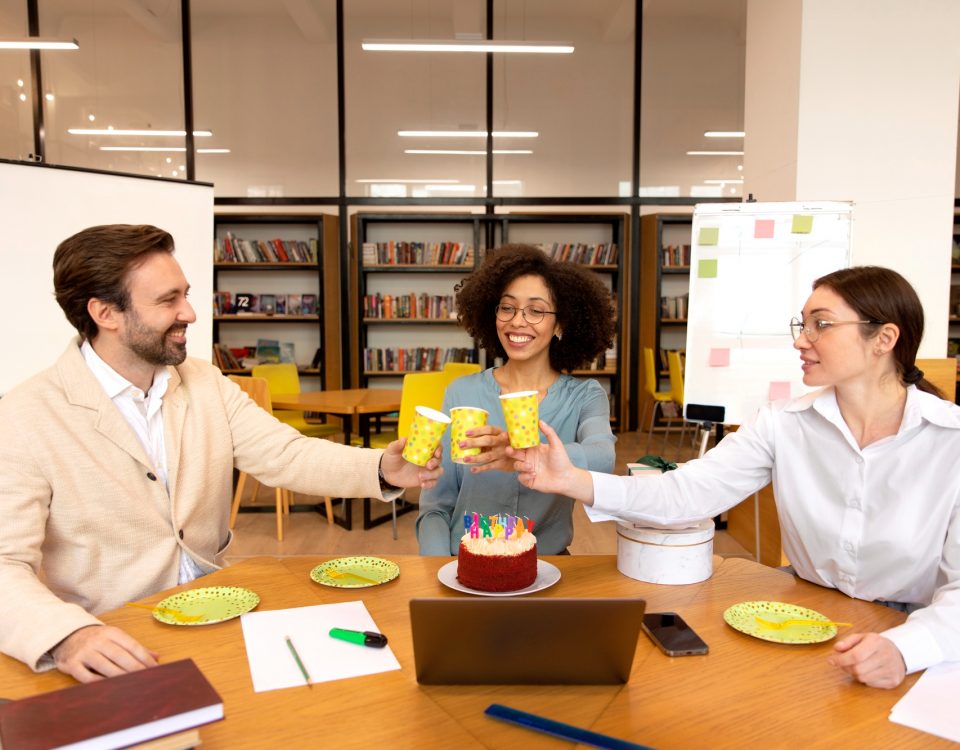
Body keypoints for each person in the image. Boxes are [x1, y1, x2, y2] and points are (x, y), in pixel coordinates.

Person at [0, 224, 442, 683]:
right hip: (114, 643)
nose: (189, 312)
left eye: (185, 294)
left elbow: (285, 453)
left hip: (221, 615)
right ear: (105, 313)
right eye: (167, 300)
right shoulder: (23, 416)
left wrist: (383, 468)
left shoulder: (204, 380)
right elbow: (4, 564)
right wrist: (67, 636)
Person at [508, 265, 960, 688]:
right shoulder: (782, 423)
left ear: (884, 338)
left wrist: (905, 649)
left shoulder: (950, 440)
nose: (801, 341)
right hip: (804, 621)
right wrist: (572, 480)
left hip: (920, 642)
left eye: (820, 324)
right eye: (800, 325)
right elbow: (687, 493)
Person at [416, 244, 617, 555]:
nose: (517, 322)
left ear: (560, 323)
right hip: (463, 567)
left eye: (536, 310)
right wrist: (437, 572)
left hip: (546, 569)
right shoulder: (462, 393)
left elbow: (603, 458)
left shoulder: (585, 396)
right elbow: (435, 505)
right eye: (507, 307)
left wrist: (527, 455)